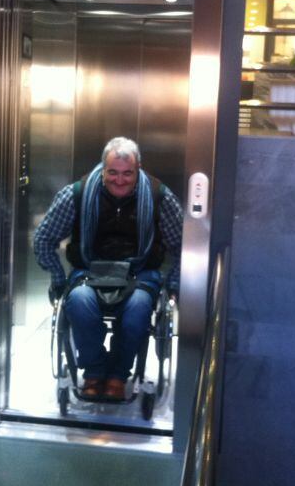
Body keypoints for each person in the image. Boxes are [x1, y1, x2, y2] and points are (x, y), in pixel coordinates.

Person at [33, 137, 183, 401]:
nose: (120, 180)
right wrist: (58, 278)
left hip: (140, 272)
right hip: (90, 271)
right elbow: (44, 238)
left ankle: (117, 375)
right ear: (102, 168)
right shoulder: (76, 194)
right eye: (112, 172)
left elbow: (183, 246)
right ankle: (94, 371)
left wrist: (173, 285)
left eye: (128, 173)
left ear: (138, 169)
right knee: (78, 302)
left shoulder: (160, 196)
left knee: (137, 309)